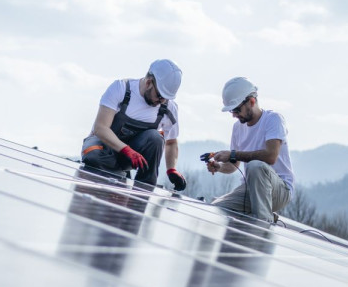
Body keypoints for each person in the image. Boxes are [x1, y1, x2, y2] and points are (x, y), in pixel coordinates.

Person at [81, 59, 187, 190]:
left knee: (155, 138)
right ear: (149, 83)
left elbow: (171, 142)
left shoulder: (169, 108)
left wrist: (171, 169)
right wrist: (126, 150)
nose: (162, 101)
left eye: (166, 98)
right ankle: (116, 174)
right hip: (103, 148)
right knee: (93, 155)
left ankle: (144, 189)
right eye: (159, 96)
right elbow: (100, 128)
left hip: (128, 158)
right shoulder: (121, 88)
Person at [204, 77, 295, 223]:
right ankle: (263, 215)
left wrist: (233, 154)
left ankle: (264, 222)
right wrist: (219, 166)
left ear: (251, 102)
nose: (234, 115)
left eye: (236, 110)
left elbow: (271, 156)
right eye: (232, 111)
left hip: (279, 190)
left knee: (255, 165)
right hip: (250, 188)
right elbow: (234, 166)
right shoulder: (237, 128)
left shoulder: (273, 120)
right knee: (217, 209)